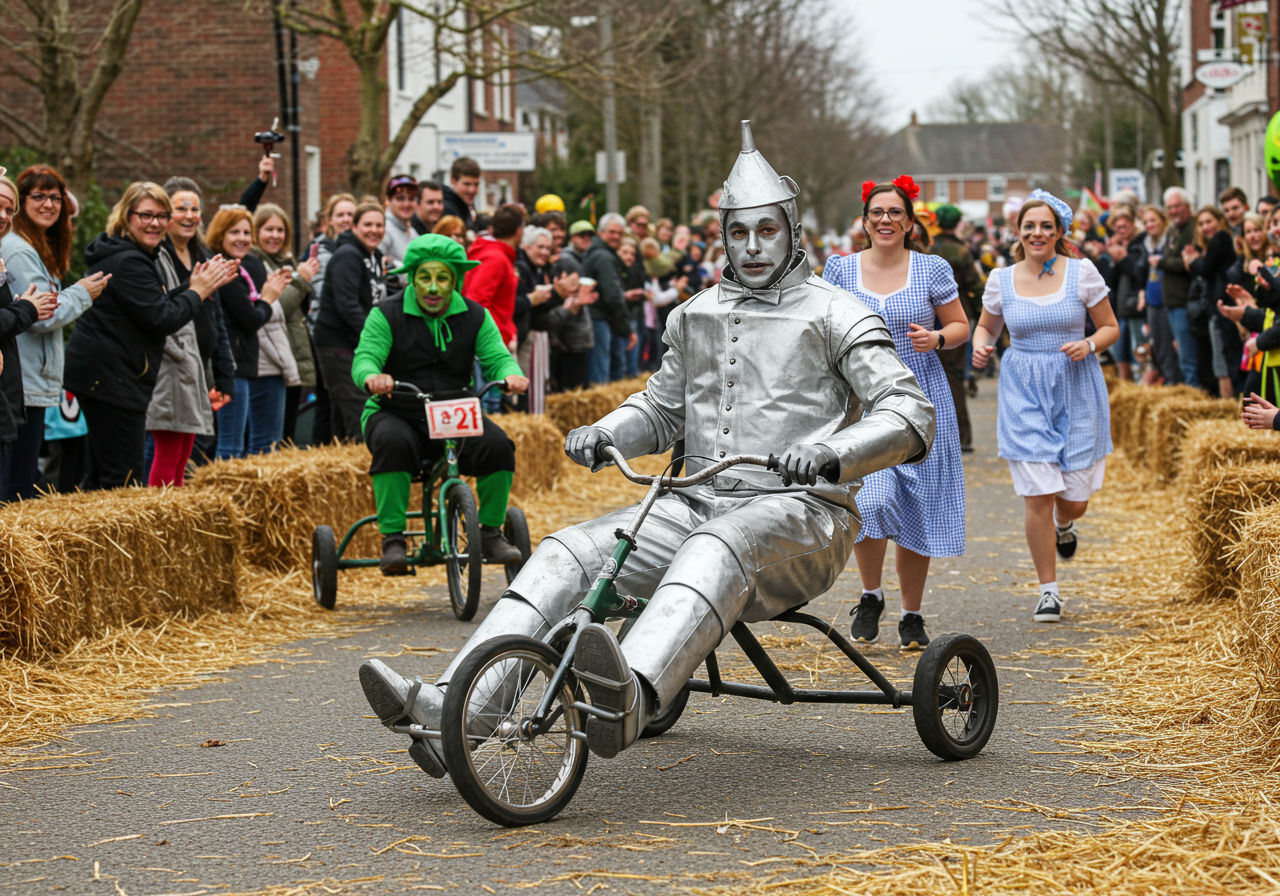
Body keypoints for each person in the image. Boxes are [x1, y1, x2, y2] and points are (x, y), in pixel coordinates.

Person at [357, 120, 935, 775]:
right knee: (567, 551)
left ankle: (630, 697)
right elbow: (660, 409)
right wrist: (607, 432)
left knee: (715, 547)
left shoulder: (837, 313)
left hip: (803, 515)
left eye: (766, 230)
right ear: (722, 235)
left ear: (792, 230)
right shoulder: (696, 313)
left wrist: (836, 453)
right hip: (697, 499)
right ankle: (450, 713)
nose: (750, 246)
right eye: (738, 232)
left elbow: (911, 411)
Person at [821, 177, 968, 650]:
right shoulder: (841, 269)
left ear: (909, 222)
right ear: (864, 222)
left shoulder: (931, 269)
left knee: (916, 506)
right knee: (871, 498)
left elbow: (961, 324)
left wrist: (938, 338)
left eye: (895, 213)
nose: (886, 220)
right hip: (863, 400)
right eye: (877, 213)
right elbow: (819, 326)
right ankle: (870, 595)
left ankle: (911, 614)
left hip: (921, 396)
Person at [971, 190, 1119, 624]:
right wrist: (982, 349)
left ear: (1059, 232)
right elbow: (986, 328)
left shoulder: (1082, 273)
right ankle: (1048, 591)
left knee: (1072, 500)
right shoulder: (1001, 279)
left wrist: (1089, 343)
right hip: (1024, 390)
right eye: (1029, 226)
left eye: (1046, 226)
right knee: (1038, 494)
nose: (1038, 233)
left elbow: (1110, 327)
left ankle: (1065, 524)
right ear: (1017, 232)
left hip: (1076, 386)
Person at [353, 234, 528, 572]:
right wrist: (372, 376)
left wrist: (510, 375)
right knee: (392, 442)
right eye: (425, 278)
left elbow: (497, 357)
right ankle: (393, 539)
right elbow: (365, 358)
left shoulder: (476, 315)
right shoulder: (385, 314)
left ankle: (490, 531)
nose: (433, 288)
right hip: (396, 410)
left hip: (455, 412)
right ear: (412, 278)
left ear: (456, 280)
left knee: (498, 446)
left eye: (442, 278)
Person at [64, 182, 238, 489]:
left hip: (112, 376)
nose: (155, 223)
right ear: (126, 217)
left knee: (104, 474)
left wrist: (190, 287)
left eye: (161, 216)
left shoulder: (133, 255)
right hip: (111, 379)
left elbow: (152, 305)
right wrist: (198, 291)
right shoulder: (129, 260)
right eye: (146, 215)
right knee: (124, 478)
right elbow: (161, 318)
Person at [0, 164, 107, 500]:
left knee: (22, 476)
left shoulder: (29, 247)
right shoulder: (18, 250)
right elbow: (39, 315)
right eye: (39, 196)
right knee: (18, 483)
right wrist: (81, 293)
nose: (50, 205)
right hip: (24, 380)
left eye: (56, 198)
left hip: (28, 380)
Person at [147, 178, 235, 485]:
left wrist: (224, 375)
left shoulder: (204, 255)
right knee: (165, 452)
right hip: (170, 366)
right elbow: (161, 312)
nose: (188, 215)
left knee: (187, 453)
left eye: (195, 209)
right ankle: (157, 514)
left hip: (200, 367)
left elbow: (217, 319)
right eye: (180, 208)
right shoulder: (158, 257)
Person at [204, 207, 293, 459]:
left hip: (244, 363)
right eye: (234, 232)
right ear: (220, 234)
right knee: (231, 446)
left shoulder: (244, 267)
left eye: (246, 232)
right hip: (231, 366)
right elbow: (250, 319)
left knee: (255, 445)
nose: (242, 238)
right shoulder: (224, 271)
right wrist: (268, 298)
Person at [0, 175, 58, 497]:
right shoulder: (18, 252)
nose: (4, 217)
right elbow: (41, 314)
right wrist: (28, 309)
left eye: (9, 210)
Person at [313, 202, 387, 442]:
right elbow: (348, 306)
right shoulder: (348, 255)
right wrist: (377, 340)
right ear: (354, 226)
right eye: (367, 224)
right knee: (360, 411)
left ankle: (340, 457)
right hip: (338, 344)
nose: (373, 230)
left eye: (379, 225)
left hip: (353, 342)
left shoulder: (371, 256)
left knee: (342, 414)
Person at [252, 203, 320, 444]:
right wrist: (302, 281)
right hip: (271, 361)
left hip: (290, 356)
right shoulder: (254, 264)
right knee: (271, 437)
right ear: (256, 231)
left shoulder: (284, 263)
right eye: (269, 229)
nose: (275, 236)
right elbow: (275, 308)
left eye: (280, 230)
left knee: (286, 435)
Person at [928, 205, 982, 452]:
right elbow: (975, 284)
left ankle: (932, 436)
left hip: (927, 321)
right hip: (958, 318)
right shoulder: (962, 251)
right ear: (958, 223)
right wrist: (980, 315)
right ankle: (963, 437)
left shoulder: (927, 249)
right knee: (954, 378)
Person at [1183, 205, 1239, 398]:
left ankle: (1228, 405)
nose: (1205, 227)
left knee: (1222, 361)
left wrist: (1192, 261)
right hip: (1218, 307)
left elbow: (1206, 269)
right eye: (1201, 223)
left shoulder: (1221, 238)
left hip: (1222, 307)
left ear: (1219, 221)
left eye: (1209, 221)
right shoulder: (1216, 242)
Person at [582, 213, 637, 384]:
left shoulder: (601, 253)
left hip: (599, 318)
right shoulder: (604, 257)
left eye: (619, 233)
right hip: (598, 319)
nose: (616, 236)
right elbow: (613, 295)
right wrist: (626, 329)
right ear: (600, 233)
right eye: (611, 232)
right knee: (600, 376)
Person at [463, 203, 524, 351]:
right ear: (518, 232)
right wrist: (497, 339)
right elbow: (476, 302)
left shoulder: (495, 253)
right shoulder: (496, 258)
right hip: (491, 347)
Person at [1158, 187, 1200, 388]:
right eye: (1170, 207)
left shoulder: (1194, 229)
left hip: (1185, 301)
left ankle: (1194, 391)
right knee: (1182, 354)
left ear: (1188, 206)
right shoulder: (1173, 231)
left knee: (1189, 356)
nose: (1173, 211)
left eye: (1177, 206)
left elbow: (1187, 264)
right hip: (1174, 302)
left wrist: (1161, 262)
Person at [1099, 207, 1146, 383]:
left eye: (1125, 226)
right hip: (1120, 305)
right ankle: (1125, 383)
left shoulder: (1140, 245)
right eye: (1118, 228)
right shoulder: (1118, 247)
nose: (1121, 230)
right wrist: (1113, 259)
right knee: (1119, 351)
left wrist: (1123, 259)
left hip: (1136, 306)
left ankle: (1137, 384)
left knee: (1137, 350)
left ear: (1133, 225)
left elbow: (1138, 273)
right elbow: (1110, 280)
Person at [1139, 205, 1179, 384]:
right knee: (1157, 347)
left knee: (1169, 347)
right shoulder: (1146, 244)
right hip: (1151, 301)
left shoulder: (1170, 242)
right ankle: (1164, 380)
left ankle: (1173, 382)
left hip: (1167, 301)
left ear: (1163, 221)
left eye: (1153, 220)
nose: (1149, 224)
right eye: (1146, 221)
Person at [310, 192, 358, 321]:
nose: (346, 219)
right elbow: (321, 291)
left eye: (350, 214)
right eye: (340, 215)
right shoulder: (322, 250)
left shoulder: (365, 248)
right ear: (329, 220)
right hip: (328, 320)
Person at [379, 174, 419, 282]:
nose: (406, 204)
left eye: (411, 199)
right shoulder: (384, 230)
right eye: (400, 198)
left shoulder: (412, 232)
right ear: (388, 201)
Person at [442, 157, 480, 231]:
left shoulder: (463, 204)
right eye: (467, 184)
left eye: (476, 184)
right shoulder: (447, 209)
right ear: (453, 181)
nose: (472, 190)